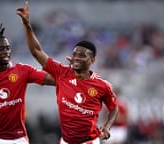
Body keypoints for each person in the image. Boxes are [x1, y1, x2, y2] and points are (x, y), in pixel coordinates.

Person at [16, 1, 119, 144]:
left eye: (82, 55)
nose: (77, 58)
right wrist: (27, 25)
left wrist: (107, 127)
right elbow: (36, 51)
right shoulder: (62, 72)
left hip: (88, 141)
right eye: (75, 54)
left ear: (92, 60)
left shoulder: (102, 86)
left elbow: (114, 108)